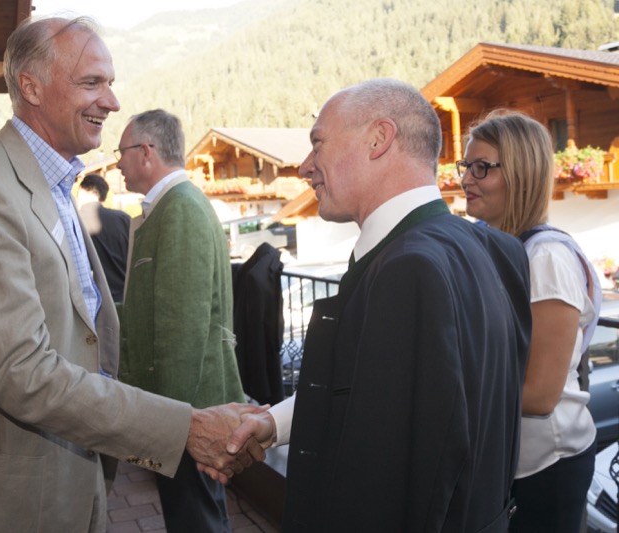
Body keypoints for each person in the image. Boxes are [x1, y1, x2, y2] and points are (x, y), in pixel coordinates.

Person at [0, 15, 262, 532]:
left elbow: (84, 330)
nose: (112, 101)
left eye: (110, 82)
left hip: (76, 477)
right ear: (31, 88)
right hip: (20, 502)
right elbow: (23, 373)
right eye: (91, 83)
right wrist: (185, 428)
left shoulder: (54, 184)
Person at [215, 79, 533, 532]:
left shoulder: (408, 269)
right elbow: (382, 395)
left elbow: (387, 480)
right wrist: (274, 423)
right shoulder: (499, 249)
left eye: (318, 144)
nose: (305, 167)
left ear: (379, 139)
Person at [460, 111, 600, 532]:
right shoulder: (502, 248)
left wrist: (443, 390)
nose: (465, 179)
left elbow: (539, 395)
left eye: (481, 167)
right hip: (515, 459)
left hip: (548, 464)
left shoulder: (546, 257)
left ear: (521, 175)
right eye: (466, 166)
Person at [116, 109, 246, 532]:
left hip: (188, 411)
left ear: (146, 152)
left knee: (196, 520)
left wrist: (170, 428)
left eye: (121, 152)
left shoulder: (180, 209)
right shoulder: (174, 206)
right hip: (188, 410)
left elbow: (182, 331)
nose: (117, 164)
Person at [78, 173, 130, 302]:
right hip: (125, 296)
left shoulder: (77, 223)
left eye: (79, 194)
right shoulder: (123, 219)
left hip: (94, 301)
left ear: (92, 192)